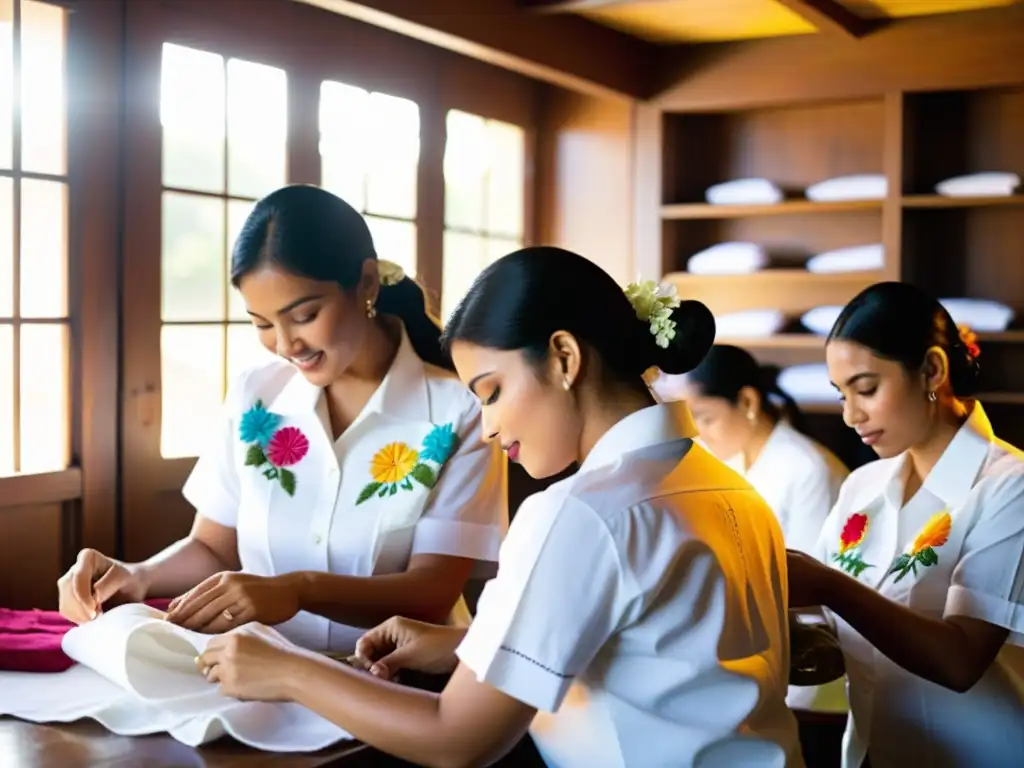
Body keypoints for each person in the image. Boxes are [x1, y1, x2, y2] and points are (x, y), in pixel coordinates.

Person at [195, 246, 804, 768]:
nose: (487, 427)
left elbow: (458, 740)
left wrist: (288, 672)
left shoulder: (582, 512)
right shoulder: (725, 486)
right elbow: (658, 664)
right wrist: (467, 644)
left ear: (564, 358)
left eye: (492, 392)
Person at [56, 185, 507, 652]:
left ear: (367, 284)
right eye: (263, 324)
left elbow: (432, 594)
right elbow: (215, 548)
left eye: (305, 315)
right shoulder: (258, 394)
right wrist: (139, 574)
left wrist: (295, 590)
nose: (287, 344)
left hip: (390, 684)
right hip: (257, 672)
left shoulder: (459, 411)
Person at [786, 281, 1024, 768]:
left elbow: (960, 660)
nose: (852, 415)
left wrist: (829, 586)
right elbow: (841, 635)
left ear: (932, 370)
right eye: (841, 396)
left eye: (867, 389)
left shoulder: (1009, 487)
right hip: (875, 750)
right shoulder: (862, 486)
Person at [656, 345, 849, 555]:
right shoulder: (721, 457)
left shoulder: (807, 470)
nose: (694, 434)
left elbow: (812, 570)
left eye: (705, 418)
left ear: (748, 402)